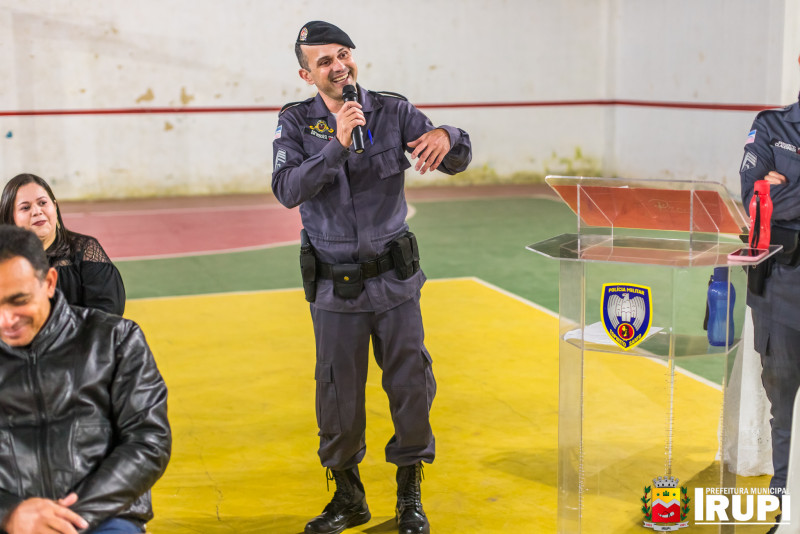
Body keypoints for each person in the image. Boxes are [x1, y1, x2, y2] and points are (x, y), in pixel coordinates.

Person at [272, 20, 471, 534]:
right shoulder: (296, 122)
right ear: (306, 74)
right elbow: (287, 188)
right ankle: (348, 497)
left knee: (411, 386)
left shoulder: (391, 111)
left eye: (344, 54)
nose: (339, 66)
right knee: (337, 394)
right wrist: (336, 145)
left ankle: (409, 495)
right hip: (335, 289)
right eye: (324, 61)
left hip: (395, 283)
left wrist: (448, 135)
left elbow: (456, 158)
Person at [0, 225, 171, 534]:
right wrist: (10, 514)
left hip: (102, 517)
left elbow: (149, 441)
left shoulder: (116, 339)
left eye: (19, 300)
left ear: (49, 282)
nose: (6, 320)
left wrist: (69, 517)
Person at [740, 85, 800, 531]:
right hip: (779, 284)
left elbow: (778, 200)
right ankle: (785, 509)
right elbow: (754, 201)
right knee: (783, 399)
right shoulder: (771, 126)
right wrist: (770, 197)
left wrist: (787, 189)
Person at [0, 174, 125, 316]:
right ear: (10, 217)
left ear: (54, 206)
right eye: (25, 207)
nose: (37, 211)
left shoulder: (86, 250)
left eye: (42, 203)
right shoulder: (5, 260)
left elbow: (107, 314)